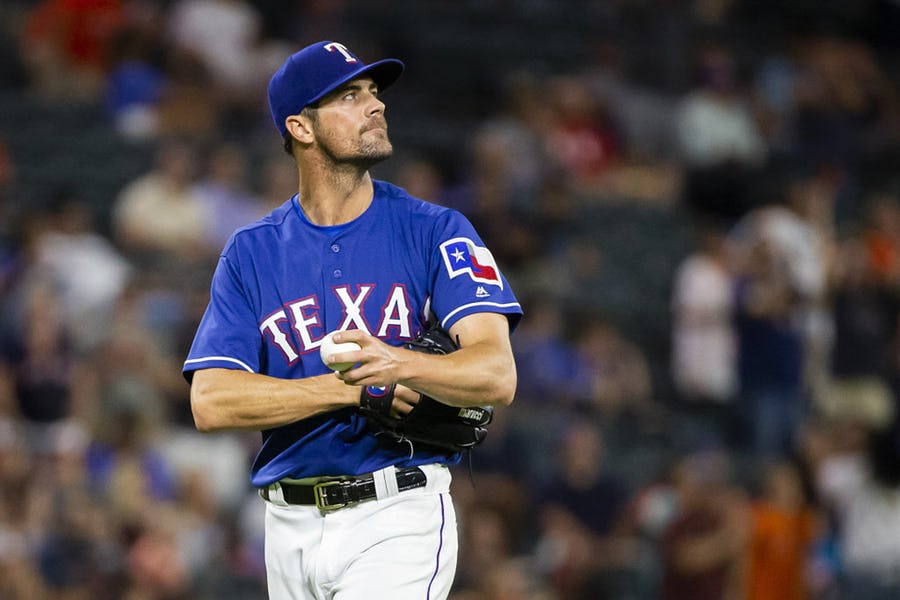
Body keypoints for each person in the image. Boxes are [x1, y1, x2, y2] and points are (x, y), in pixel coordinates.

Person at [182, 40, 523, 600]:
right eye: (349, 95)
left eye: (373, 92)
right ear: (301, 127)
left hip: (397, 512)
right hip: (286, 527)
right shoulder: (251, 252)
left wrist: (397, 361)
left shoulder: (435, 229)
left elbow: (496, 372)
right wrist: (350, 392)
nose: (376, 105)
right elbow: (212, 402)